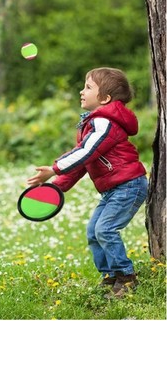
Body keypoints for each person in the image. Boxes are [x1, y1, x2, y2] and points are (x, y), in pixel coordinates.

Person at [27, 67, 147, 298]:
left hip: (129, 185)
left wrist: (53, 169)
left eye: (88, 87)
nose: (82, 91)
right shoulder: (94, 123)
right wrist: (56, 186)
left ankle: (126, 277)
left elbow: (85, 152)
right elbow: (83, 162)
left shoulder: (105, 123)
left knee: (105, 229)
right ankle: (111, 276)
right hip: (115, 189)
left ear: (105, 98)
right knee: (94, 231)